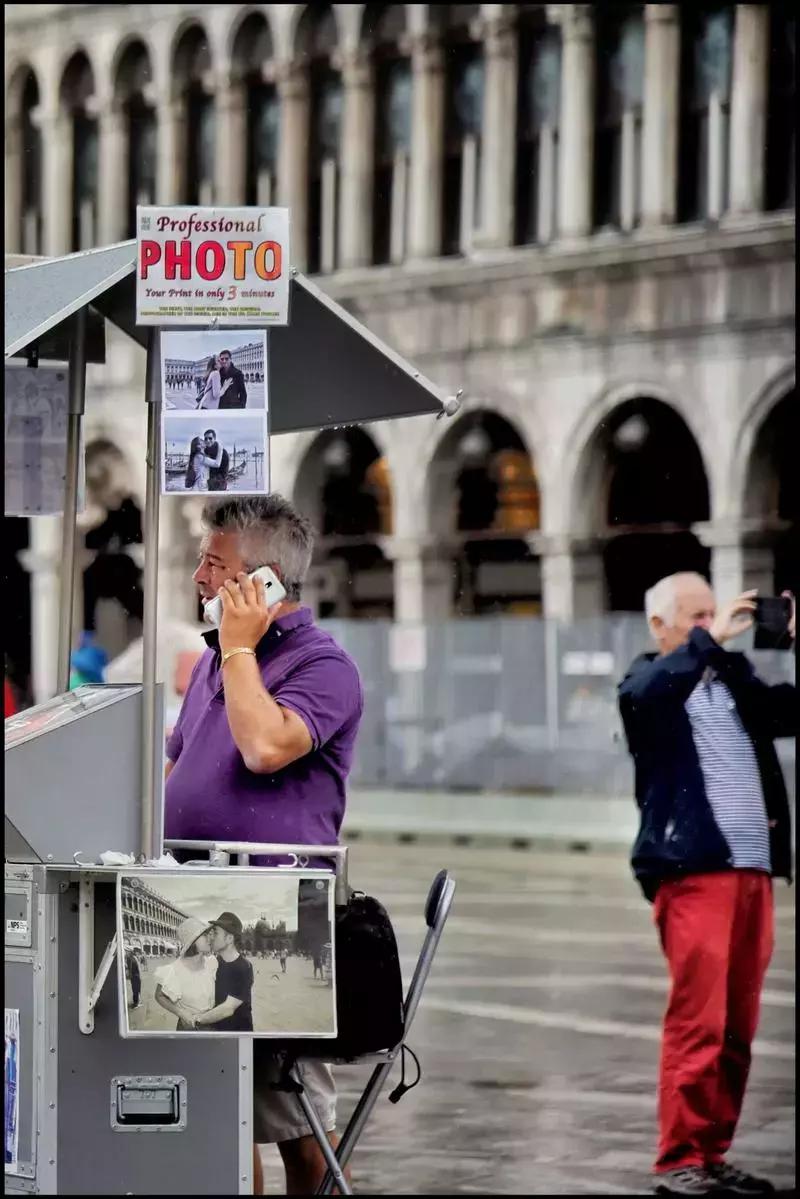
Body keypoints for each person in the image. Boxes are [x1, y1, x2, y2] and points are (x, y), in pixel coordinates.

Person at [164, 494, 363, 1195]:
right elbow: (176, 763)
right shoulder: (216, 662)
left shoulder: (324, 666)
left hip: (276, 921)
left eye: (215, 565)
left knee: (292, 1115)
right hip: (196, 903)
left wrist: (243, 647)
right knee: (218, 1104)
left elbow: (264, 746)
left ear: (264, 582)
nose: (198, 578)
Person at [618, 573, 795, 1197]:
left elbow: (789, 710)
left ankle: (712, 1151)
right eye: (695, 617)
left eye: (714, 614)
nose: (711, 626)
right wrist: (709, 642)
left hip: (751, 873)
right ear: (660, 627)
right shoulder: (649, 682)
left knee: (739, 1026)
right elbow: (648, 693)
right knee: (700, 1020)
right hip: (693, 871)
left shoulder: (731, 682)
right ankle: (678, 1158)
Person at [192, 913, 254, 1032]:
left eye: (215, 933)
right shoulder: (215, 962)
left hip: (237, 1034)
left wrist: (196, 1019)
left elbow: (228, 1008)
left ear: (229, 938)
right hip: (217, 1032)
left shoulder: (244, 967)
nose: (211, 937)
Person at [153, 917, 217, 1030]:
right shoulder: (174, 970)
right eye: (204, 935)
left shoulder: (212, 962)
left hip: (213, 1024)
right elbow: (159, 995)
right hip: (190, 1027)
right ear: (192, 941)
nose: (209, 938)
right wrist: (181, 1013)